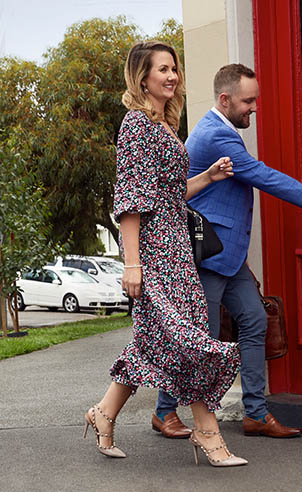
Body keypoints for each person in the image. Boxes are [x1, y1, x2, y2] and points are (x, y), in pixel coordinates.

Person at [151, 63, 302, 440]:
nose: (254, 108)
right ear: (225, 99)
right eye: (248, 101)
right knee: (196, 337)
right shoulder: (214, 135)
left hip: (229, 256)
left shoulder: (221, 130)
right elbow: (266, 178)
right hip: (207, 256)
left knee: (254, 321)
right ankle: (164, 411)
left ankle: (255, 413)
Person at [83, 41, 247, 468]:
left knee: (154, 341)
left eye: (174, 68)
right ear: (143, 78)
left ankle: (103, 414)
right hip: (154, 254)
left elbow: (171, 195)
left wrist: (208, 177)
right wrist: (132, 264)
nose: (172, 76)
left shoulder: (165, 127)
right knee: (188, 339)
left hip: (176, 246)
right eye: (162, 69)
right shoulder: (136, 125)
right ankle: (208, 434)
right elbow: (131, 200)